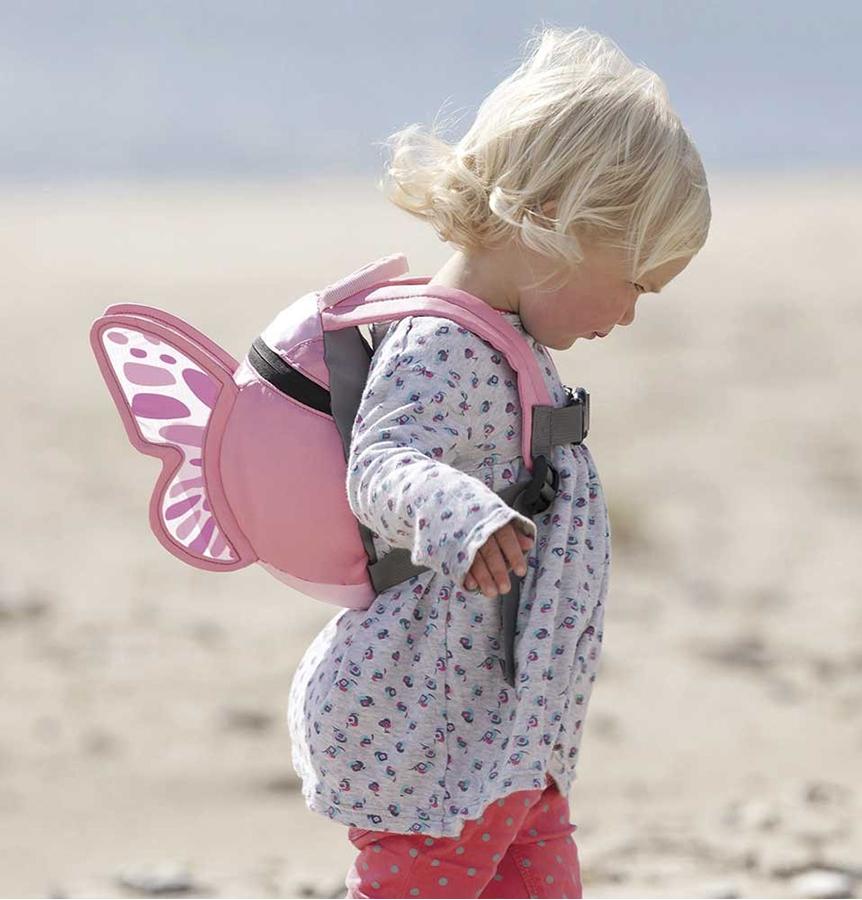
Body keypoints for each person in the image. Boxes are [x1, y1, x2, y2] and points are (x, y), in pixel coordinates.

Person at [287, 24, 710, 899]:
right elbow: (382, 465)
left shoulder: (505, 340)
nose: (631, 312)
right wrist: (462, 513)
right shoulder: (440, 342)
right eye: (634, 279)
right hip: (432, 725)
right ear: (553, 223)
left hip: (507, 724)